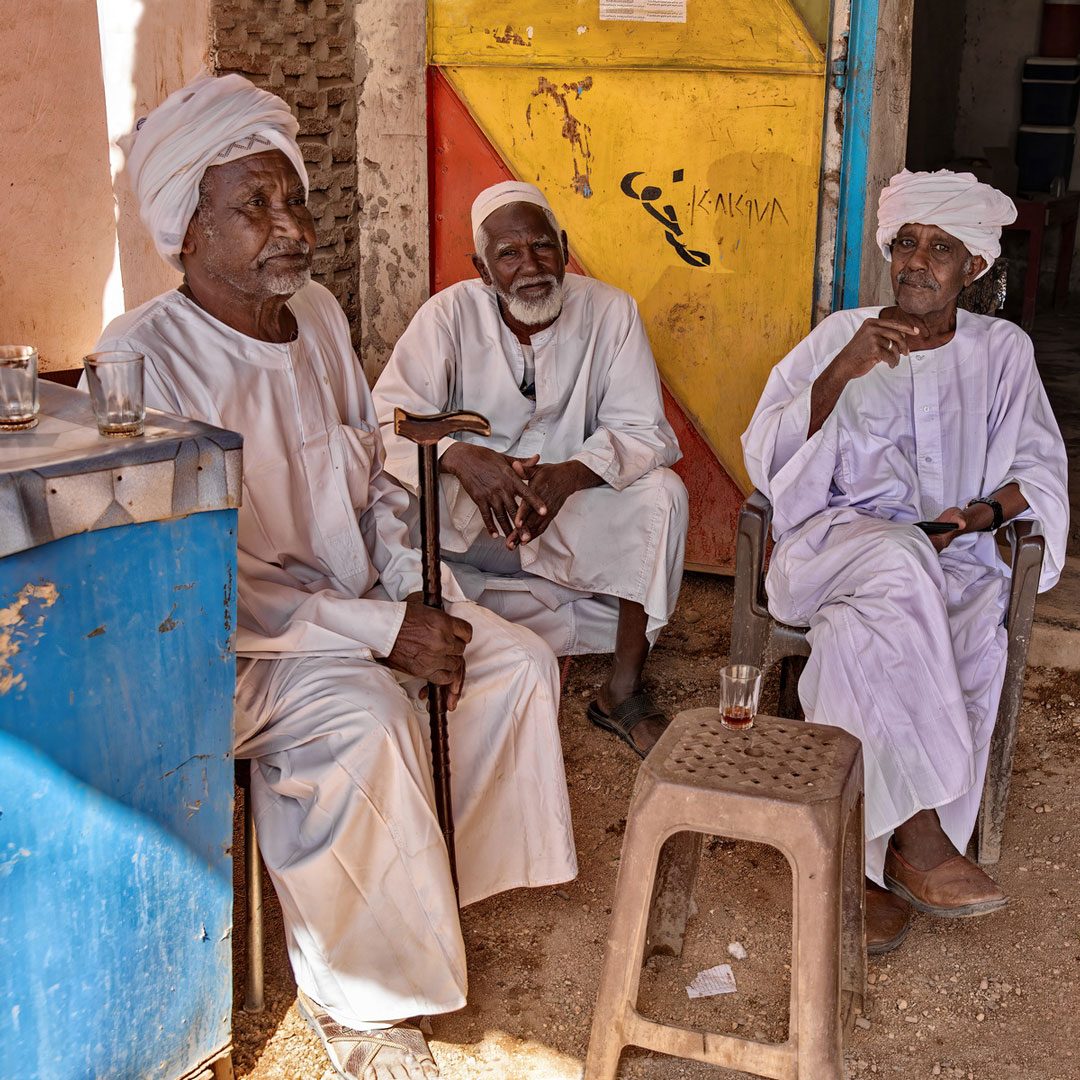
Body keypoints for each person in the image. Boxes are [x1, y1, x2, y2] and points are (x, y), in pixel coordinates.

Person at [95, 74, 577, 1080]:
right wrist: (373, 630)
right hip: (227, 649)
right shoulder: (142, 360)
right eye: (253, 208)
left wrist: (407, 586)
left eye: (293, 199)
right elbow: (184, 572)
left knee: (519, 664)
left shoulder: (311, 312)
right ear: (187, 229)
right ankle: (362, 1002)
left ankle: (419, 898)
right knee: (363, 716)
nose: (290, 227)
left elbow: (362, 467)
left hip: (352, 609)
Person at [741, 169, 1068, 954]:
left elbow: (1041, 468)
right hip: (829, 549)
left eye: (942, 249)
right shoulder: (839, 336)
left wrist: (985, 513)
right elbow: (764, 458)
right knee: (893, 557)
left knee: (873, 634)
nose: (918, 261)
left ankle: (857, 864)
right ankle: (919, 839)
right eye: (907, 244)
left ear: (975, 269)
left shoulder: (1002, 352)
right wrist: (841, 371)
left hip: (948, 560)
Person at [372, 182, 688, 758]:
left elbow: (644, 430)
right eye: (508, 254)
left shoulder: (611, 312)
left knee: (662, 496)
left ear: (564, 248)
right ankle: (451, 637)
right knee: (379, 501)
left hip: (558, 507)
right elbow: (385, 422)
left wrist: (571, 474)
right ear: (482, 266)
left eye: (541, 248)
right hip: (464, 515)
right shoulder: (447, 315)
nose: (530, 267)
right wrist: (458, 456)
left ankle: (622, 690)